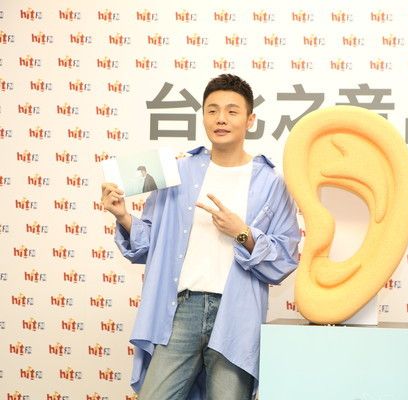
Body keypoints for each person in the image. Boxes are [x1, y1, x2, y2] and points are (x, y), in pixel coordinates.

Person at [100, 74, 300, 400]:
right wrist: (123, 216)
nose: (221, 119)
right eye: (212, 110)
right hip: (181, 309)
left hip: (236, 315)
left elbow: (285, 257)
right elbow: (149, 244)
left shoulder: (271, 182)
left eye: (232, 111)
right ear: (203, 116)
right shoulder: (178, 171)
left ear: (250, 120)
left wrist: (242, 233)